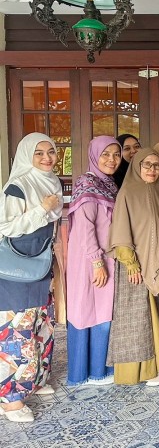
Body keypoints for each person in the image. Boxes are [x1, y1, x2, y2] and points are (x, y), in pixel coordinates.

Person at [0, 133, 63, 422]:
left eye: (51, 151)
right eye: (39, 153)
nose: (47, 158)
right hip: (17, 268)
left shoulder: (50, 182)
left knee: (42, 325)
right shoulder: (18, 186)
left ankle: (35, 381)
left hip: (40, 262)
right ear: (27, 155)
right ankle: (11, 400)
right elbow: (6, 227)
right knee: (18, 331)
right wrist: (42, 209)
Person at [106, 148, 159, 386]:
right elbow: (121, 230)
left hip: (153, 260)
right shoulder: (128, 191)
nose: (152, 170)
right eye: (147, 165)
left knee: (154, 315)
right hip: (135, 265)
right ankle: (139, 372)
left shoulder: (154, 189)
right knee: (137, 318)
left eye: (156, 165)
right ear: (137, 166)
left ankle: (156, 365)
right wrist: (131, 263)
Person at [66, 136, 120, 386]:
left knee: (102, 311)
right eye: (105, 154)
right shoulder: (87, 184)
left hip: (106, 257)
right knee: (86, 310)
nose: (111, 160)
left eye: (116, 154)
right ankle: (86, 372)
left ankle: (100, 370)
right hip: (91, 259)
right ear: (94, 155)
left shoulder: (108, 184)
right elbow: (85, 227)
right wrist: (96, 262)